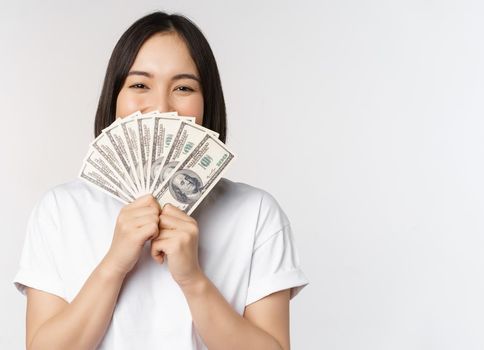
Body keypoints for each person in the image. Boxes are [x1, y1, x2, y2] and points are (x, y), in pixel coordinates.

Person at [13, 12, 309, 350]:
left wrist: (193, 280)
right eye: (140, 84)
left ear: (206, 101)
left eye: (183, 87)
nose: (161, 106)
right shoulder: (60, 210)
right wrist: (114, 264)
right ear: (114, 98)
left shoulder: (256, 213)